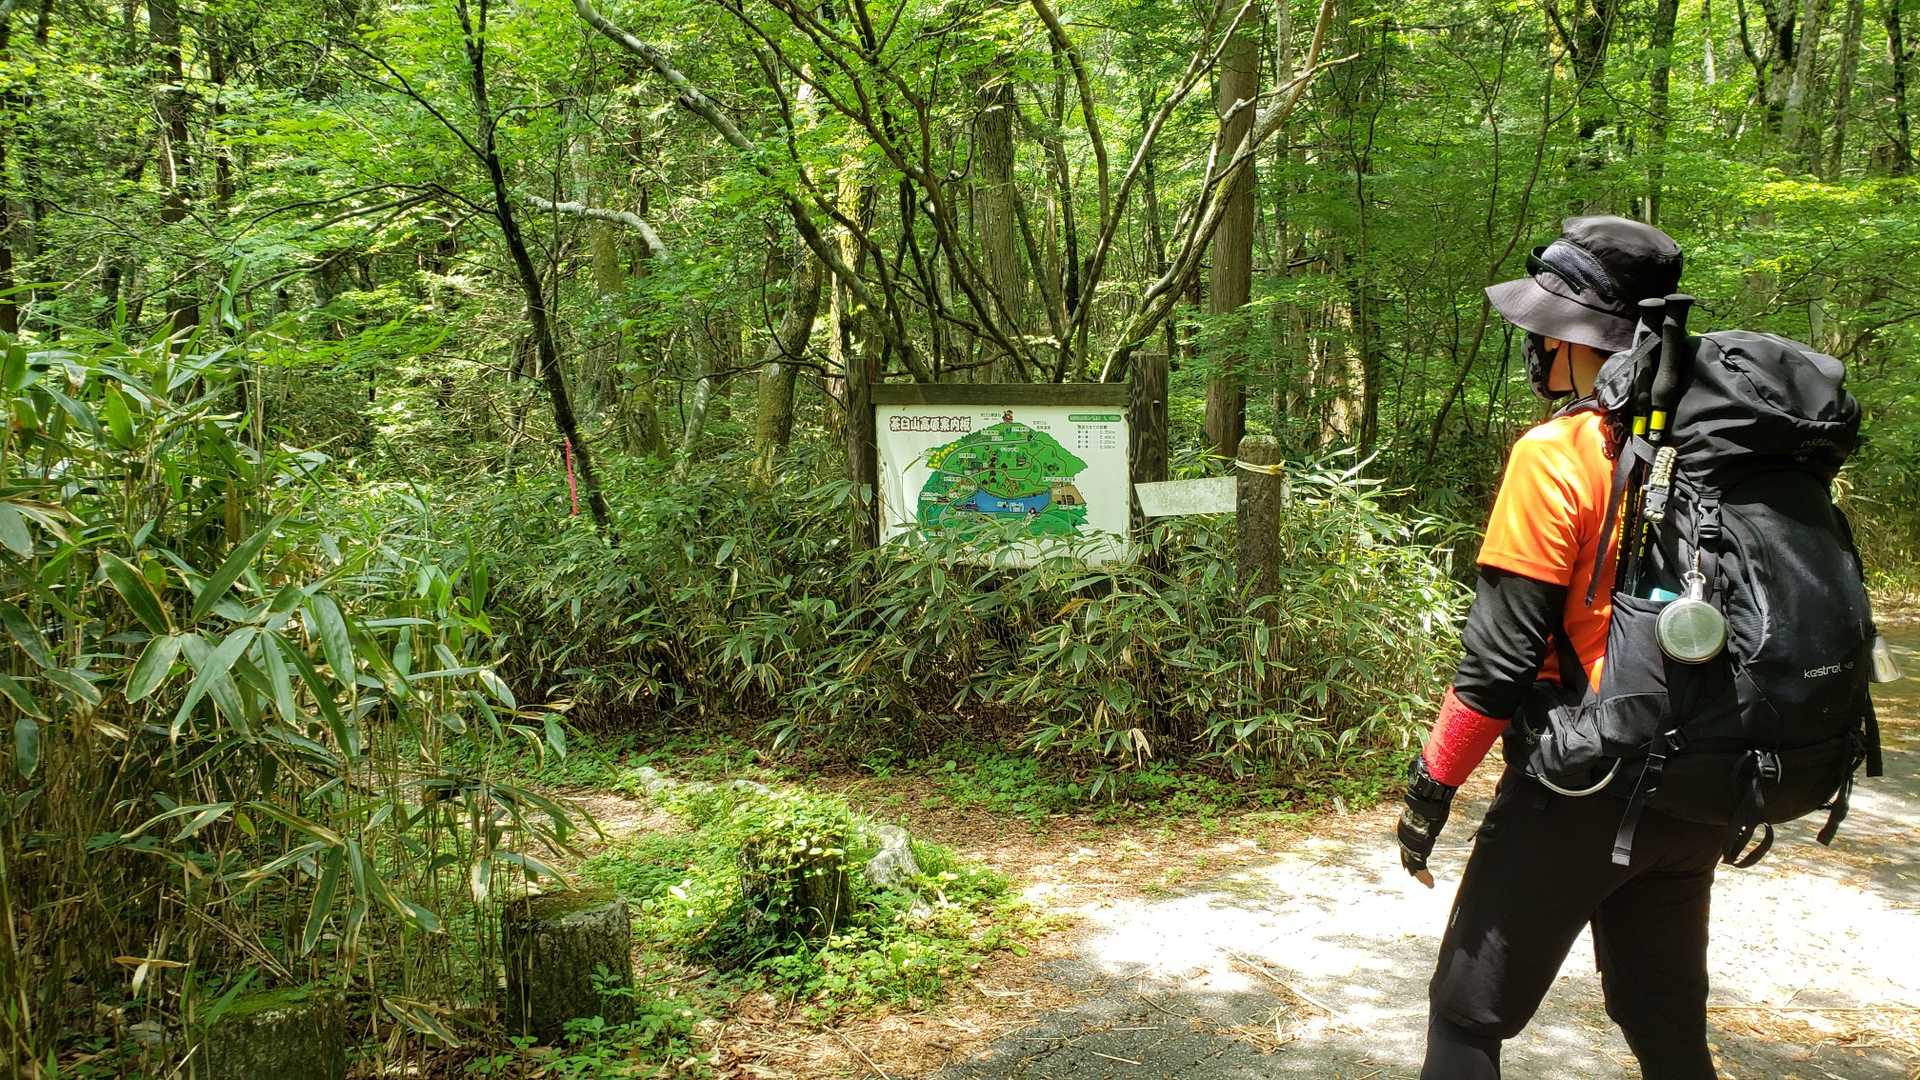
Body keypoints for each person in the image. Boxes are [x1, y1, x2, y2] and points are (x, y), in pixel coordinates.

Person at [1395, 216, 1724, 1080]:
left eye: (1545, 328)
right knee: (1665, 1025)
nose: (1535, 345)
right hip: (1699, 783)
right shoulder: (1713, 451)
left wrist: (1431, 790)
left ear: (1581, 340)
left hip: (1585, 784)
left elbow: (1496, 667)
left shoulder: (1557, 453)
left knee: (1465, 1019)